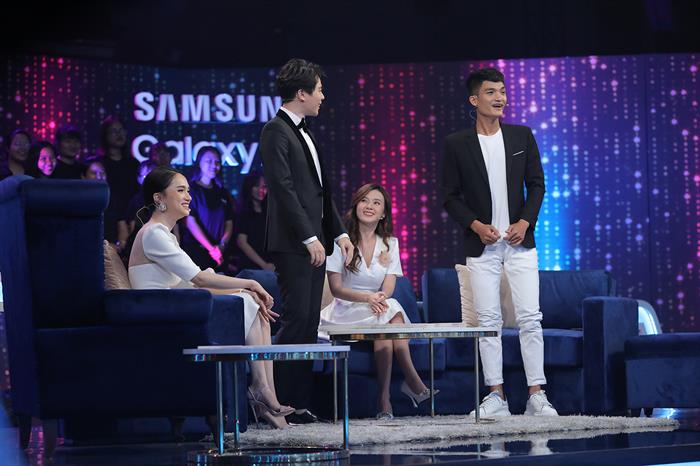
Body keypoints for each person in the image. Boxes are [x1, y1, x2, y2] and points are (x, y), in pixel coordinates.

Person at [128, 167, 292, 429]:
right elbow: (199, 280)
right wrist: (250, 283)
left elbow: (190, 284)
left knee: (253, 302)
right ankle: (261, 391)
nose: (188, 197)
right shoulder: (154, 234)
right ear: (159, 198)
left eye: (188, 191)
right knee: (248, 299)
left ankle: (265, 392)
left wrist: (247, 292)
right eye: (180, 190)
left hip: (179, 307)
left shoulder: (163, 234)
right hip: (164, 318)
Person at [440, 67, 557, 417]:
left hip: (520, 242)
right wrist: (476, 225)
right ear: (474, 100)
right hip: (482, 245)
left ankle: (537, 394)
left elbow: (537, 184)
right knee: (487, 320)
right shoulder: (456, 144)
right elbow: (449, 196)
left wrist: (525, 221)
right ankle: (496, 395)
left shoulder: (522, 136)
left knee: (530, 317)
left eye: (503, 91)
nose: (500, 98)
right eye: (491, 92)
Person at [260, 58, 353, 424]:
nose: (323, 97)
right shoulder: (275, 130)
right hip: (294, 243)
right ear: (301, 93)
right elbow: (283, 189)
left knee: (309, 322)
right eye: (319, 90)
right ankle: (277, 401)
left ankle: (297, 403)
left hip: (315, 241)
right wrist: (309, 236)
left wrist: (339, 232)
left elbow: (321, 191)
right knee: (297, 319)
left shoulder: (307, 132)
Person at [319, 183, 437, 420]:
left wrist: (379, 298)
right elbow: (336, 289)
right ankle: (411, 381)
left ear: (383, 213)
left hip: (376, 307)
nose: (369, 206)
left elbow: (389, 287)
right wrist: (368, 297)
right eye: (364, 200)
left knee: (387, 313)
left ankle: (384, 400)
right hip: (345, 310)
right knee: (388, 313)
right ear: (356, 206)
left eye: (376, 202)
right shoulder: (339, 242)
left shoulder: (390, 243)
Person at [180, 146, 235, 272]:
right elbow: (190, 222)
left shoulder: (222, 192)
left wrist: (222, 245)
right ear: (199, 163)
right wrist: (212, 249)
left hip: (220, 253)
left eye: (217, 162)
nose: (214, 166)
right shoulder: (190, 190)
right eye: (209, 161)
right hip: (197, 253)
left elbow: (229, 222)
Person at [98, 116, 139, 251]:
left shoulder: (133, 164)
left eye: (121, 130)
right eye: (114, 131)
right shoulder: (99, 164)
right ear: (105, 135)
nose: (119, 134)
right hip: (107, 220)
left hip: (131, 219)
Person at [234, 171, 275, 271]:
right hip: (250, 268)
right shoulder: (243, 213)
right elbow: (241, 242)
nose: (261, 190)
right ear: (249, 187)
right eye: (257, 186)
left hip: (270, 266)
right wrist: (264, 265)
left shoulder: (269, 212)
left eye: (264, 187)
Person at [126, 160, 158, 234]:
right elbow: (133, 229)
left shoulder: (167, 199)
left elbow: (175, 227)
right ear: (139, 179)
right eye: (145, 176)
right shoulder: (135, 201)